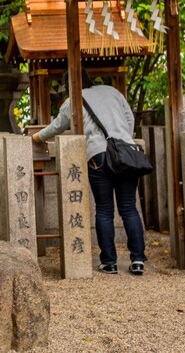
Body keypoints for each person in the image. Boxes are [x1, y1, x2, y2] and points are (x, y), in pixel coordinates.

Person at [31, 69, 147, 275]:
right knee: (129, 208)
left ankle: (109, 262)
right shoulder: (112, 91)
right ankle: (138, 260)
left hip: (98, 156)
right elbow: (129, 119)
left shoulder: (73, 100)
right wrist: (121, 143)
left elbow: (58, 126)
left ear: (69, 84)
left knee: (104, 210)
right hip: (126, 154)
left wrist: (37, 137)